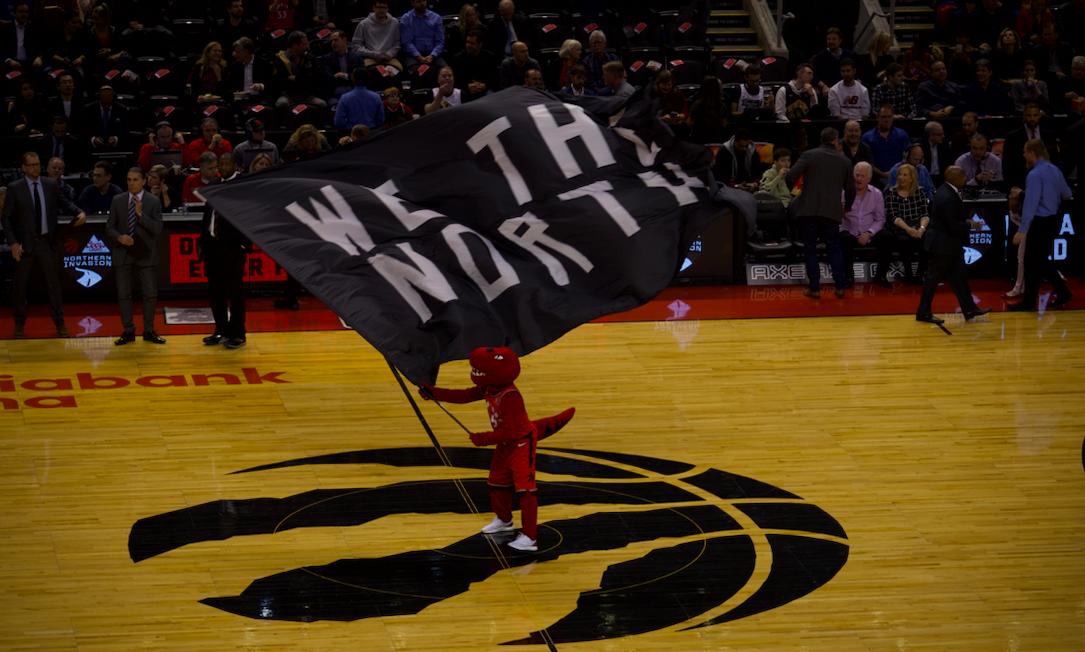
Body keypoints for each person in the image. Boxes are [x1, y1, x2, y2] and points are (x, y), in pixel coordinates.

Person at [419, 346, 575, 553]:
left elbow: (510, 433)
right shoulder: (489, 387)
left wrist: (482, 438)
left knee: (525, 490)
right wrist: (434, 392)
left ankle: (530, 538)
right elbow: (463, 395)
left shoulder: (511, 396)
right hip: (505, 443)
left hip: (521, 443)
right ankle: (504, 520)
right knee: (496, 483)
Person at [1, 152, 86, 339]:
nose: (35, 168)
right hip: (24, 245)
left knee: (53, 286)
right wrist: (13, 242)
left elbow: (64, 203)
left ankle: (59, 322)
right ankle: (19, 324)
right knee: (20, 287)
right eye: (31, 165)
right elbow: (6, 218)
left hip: (47, 242)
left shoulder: (49, 185)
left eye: (38, 164)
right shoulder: (15, 188)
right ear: (23, 167)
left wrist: (79, 212)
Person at [915, 165, 993, 323]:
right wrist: (971, 224)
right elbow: (953, 226)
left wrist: (966, 222)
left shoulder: (947, 191)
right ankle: (923, 312)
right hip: (942, 246)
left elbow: (950, 222)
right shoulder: (948, 197)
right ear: (955, 179)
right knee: (933, 279)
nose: (966, 177)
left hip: (951, 246)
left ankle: (970, 310)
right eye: (963, 175)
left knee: (960, 279)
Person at [785, 127, 856, 299]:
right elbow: (851, 189)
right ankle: (840, 286)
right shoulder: (845, 161)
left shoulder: (809, 155)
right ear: (835, 141)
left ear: (821, 140)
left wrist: (796, 192)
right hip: (831, 211)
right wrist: (848, 206)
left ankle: (814, 288)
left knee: (810, 248)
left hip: (808, 209)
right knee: (834, 247)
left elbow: (790, 176)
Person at [1008, 139, 1074, 311]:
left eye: (1024, 152)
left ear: (1032, 153)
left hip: (1040, 223)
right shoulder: (1054, 169)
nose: (1023, 155)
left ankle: (1029, 303)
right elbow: (1067, 194)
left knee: (1031, 263)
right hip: (1054, 220)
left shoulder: (1034, 175)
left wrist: (1022, 231)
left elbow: (1031, 204)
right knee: (1041, 261)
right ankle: (1063, 292)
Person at [105, 167, 165, 345]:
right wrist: (119, 237)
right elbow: (109, 227)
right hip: (123, 253)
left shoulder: (153, 202)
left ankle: (148, 330)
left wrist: (141, 214)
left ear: (144, 181)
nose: (131, 183)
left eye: (135, 180)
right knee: (123, 294)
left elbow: (158, 229)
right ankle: (128, 331)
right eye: (129, 180)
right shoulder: (118, 200)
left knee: (149, 294)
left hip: (144, 253)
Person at [199, 172, 251, 349]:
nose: (224, 167)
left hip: (234, 247)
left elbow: (249, 213)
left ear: (235, 166)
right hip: (213, 244)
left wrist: (244, 243)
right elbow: (208, 214)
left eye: (228, 164)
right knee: (216, 291)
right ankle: (221, 329)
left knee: (235, 291)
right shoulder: (213, 182)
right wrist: (202, 241)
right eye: (221, 164)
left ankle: (238, 333)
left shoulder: (242, 183)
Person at [840, 161, 894, 288]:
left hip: (868, 233)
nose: (859, 178)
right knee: (844, 238)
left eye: (862, 176)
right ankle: (848, 277)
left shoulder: (876, 194)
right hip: (849, 232)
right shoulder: (843, 193)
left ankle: (880, 276)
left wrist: (869, 233)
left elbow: (880, 219)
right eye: (857, 175)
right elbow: (837, 216)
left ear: (869, 178)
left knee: (888, 237)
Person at [884, 162, 930, 285]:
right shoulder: (891, 193)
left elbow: (925, 214)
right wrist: (909, 229)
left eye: (905, 175)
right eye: (900, 175)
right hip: (900, 229)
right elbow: (893, 216)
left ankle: (920, 274)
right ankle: (908, 274)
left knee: (927, 240)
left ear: (911, 178)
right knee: (904, 241)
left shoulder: (920, 192)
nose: (901, 178)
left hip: (917, 227)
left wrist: (921, 229)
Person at [1003, 103, 1060, 188]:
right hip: (1020, 183)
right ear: (1024, 115)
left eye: (1035, 115)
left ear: (1040, 116)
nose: (1032, 119)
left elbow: (1055, 159)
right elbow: (1007, 165)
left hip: (1046, 182)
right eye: (1029, 115)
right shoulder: (1012, 137)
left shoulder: (1049, 135)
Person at [273, 31, 328, 116]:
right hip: (288, 95)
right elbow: (280, 82)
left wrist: (296, 79)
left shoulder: (310, 58)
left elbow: (316, 78)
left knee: (322, 104)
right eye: (304, 44)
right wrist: (304, 81)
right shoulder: (280, 60)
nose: (307, 47)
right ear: (295, 45)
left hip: (307, 95)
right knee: (281, 104)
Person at [862, 103, 911, 187]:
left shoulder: (901, 134)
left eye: (889, 117)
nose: (887, 120)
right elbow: (868, 163)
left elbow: (906, 157)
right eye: (884, 117)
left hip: (900, 174)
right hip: (877, 177)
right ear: (877, 118)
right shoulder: (867, 137)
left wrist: (897, 172)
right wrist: (883, 174)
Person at [351, 0, 402, 73]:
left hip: (389, 58)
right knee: (370, 72)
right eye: (379, 7)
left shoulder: (394, 22)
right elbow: (355, 46)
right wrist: (373, 54)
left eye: (384, 7)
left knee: (398, 70)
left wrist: (390, 54)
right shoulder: (363, 24)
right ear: (373, 8)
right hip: (370, 58)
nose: (381, 10)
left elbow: (398, 42)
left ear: (387, 9)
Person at [400, 0, 447, 70]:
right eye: (419, 1)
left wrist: (432, 56)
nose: (422, 4)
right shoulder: (406, 19)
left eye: (424, 1)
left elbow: (440, 42)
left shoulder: (436, 18)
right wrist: (419, 57)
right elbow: (407, 43)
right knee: (415, 71)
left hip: (433, 54)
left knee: (446, 70)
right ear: (412, 3)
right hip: (413, 55)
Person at [322, 30, 365, 106]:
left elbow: (362, 76)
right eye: (331, 41)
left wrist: (344, 76)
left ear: (344, 40)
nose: (333, 43)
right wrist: (351, 77)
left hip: (354, 92)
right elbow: (329, 79)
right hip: (335, 95)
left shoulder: (357, 57)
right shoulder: (327, 59)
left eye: (336, 40)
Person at [453, 30, 498, 102]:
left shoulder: (489, 57)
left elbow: (495, 79)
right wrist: (467, 86)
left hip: (485, 90)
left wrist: (484, 85)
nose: (468, 45)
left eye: (472, 43)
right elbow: (456, 81)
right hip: (465, 91)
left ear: (480, 45)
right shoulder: (459, 58)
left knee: (493, 98)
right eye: (467, 42)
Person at [228, 37, 276, 103]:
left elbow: (271, 84)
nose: (235, 54)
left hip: (259, 98)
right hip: (240, 98)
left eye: (238, 52)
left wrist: (260, 86)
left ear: (246, 52)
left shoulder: (264, 63)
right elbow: (232, 86)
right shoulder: (235, 66)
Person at [1, 1, 43, 77]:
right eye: (21, 12)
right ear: (14, 13)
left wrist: (39, 57)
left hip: (28, 63)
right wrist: (9, 61)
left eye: (26, 12)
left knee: (38, 75)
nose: (24, 14)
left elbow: (41, 46)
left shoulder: (35, 29)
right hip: (10, 62)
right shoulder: (6, 29)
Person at [335, 67, 385, 132]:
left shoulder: (345, 98)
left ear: (353, 80)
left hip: (351, 132)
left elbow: (339, 121)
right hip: (372, 132)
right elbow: (380, 119)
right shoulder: (376, 97)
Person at [713, 128, 762, 193]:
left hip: (749, 185)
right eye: (741, 146)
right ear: (735, 142)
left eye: (746, 146)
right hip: (729, 187)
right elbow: (719, 176)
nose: (744, 149)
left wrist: (755, 184)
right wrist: (735, 186)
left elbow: (758, 171)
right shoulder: (724, 152)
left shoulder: (752, 150)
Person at [812, 27, 857, 94]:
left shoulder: (849, 54)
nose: (831, 41)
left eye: (834, 39)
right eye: (829, 39)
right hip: (829, 89)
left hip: (848, 88)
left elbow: (857, 73)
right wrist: (823, 86)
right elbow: (815, 76)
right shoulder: (820, 56)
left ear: (840, 40)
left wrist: (857, 84)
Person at [686, 76, 729, 144]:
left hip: (698, 140)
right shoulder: (721, 105)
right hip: (716, 139)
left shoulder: (697, 105)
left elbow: (689, 123)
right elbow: (723, 125)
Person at [86, 85, 130, 152]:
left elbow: (126, 131)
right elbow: (84, 131)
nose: (106, 106)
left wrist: (116, 139)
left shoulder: (122, 110)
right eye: (104, 103)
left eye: (109, 103)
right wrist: (93, 139)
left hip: (116, 150)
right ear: (99, 97)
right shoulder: (89, 109)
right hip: (94, 150)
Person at [191, 41, 230, 105]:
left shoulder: (224, 67)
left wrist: (219, 76)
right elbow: (195, 88)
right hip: (202, 101)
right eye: (215, 51)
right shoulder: (199, 67)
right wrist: (198, 97)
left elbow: (225, 90)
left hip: (219, 101)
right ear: (208, 53)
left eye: (219, 51)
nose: (218, 53)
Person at [920, 120, 952, 186]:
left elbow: (949, 163)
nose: (943, 136)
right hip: (926, 178)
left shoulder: (944, 144)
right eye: (940, 134)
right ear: (931, 136)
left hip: (941, 178)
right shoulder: (921, 145)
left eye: (943, 133)